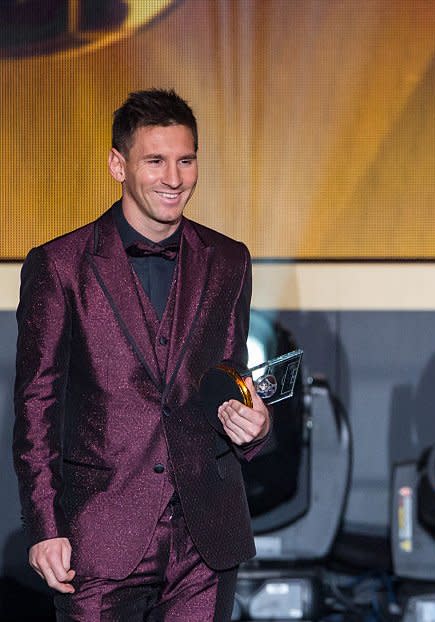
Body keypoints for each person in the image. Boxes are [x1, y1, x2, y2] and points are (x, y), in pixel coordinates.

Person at [13, 88, 271, 620]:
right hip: (99, 536)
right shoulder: (60, 266)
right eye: (155, 160)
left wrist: (256, 426)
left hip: (206, 536)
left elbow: (228, 379)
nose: (173, 178)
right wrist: (44, 528)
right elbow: (36, 407)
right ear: (118, 165)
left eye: (185, 160)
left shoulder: (229, 260)